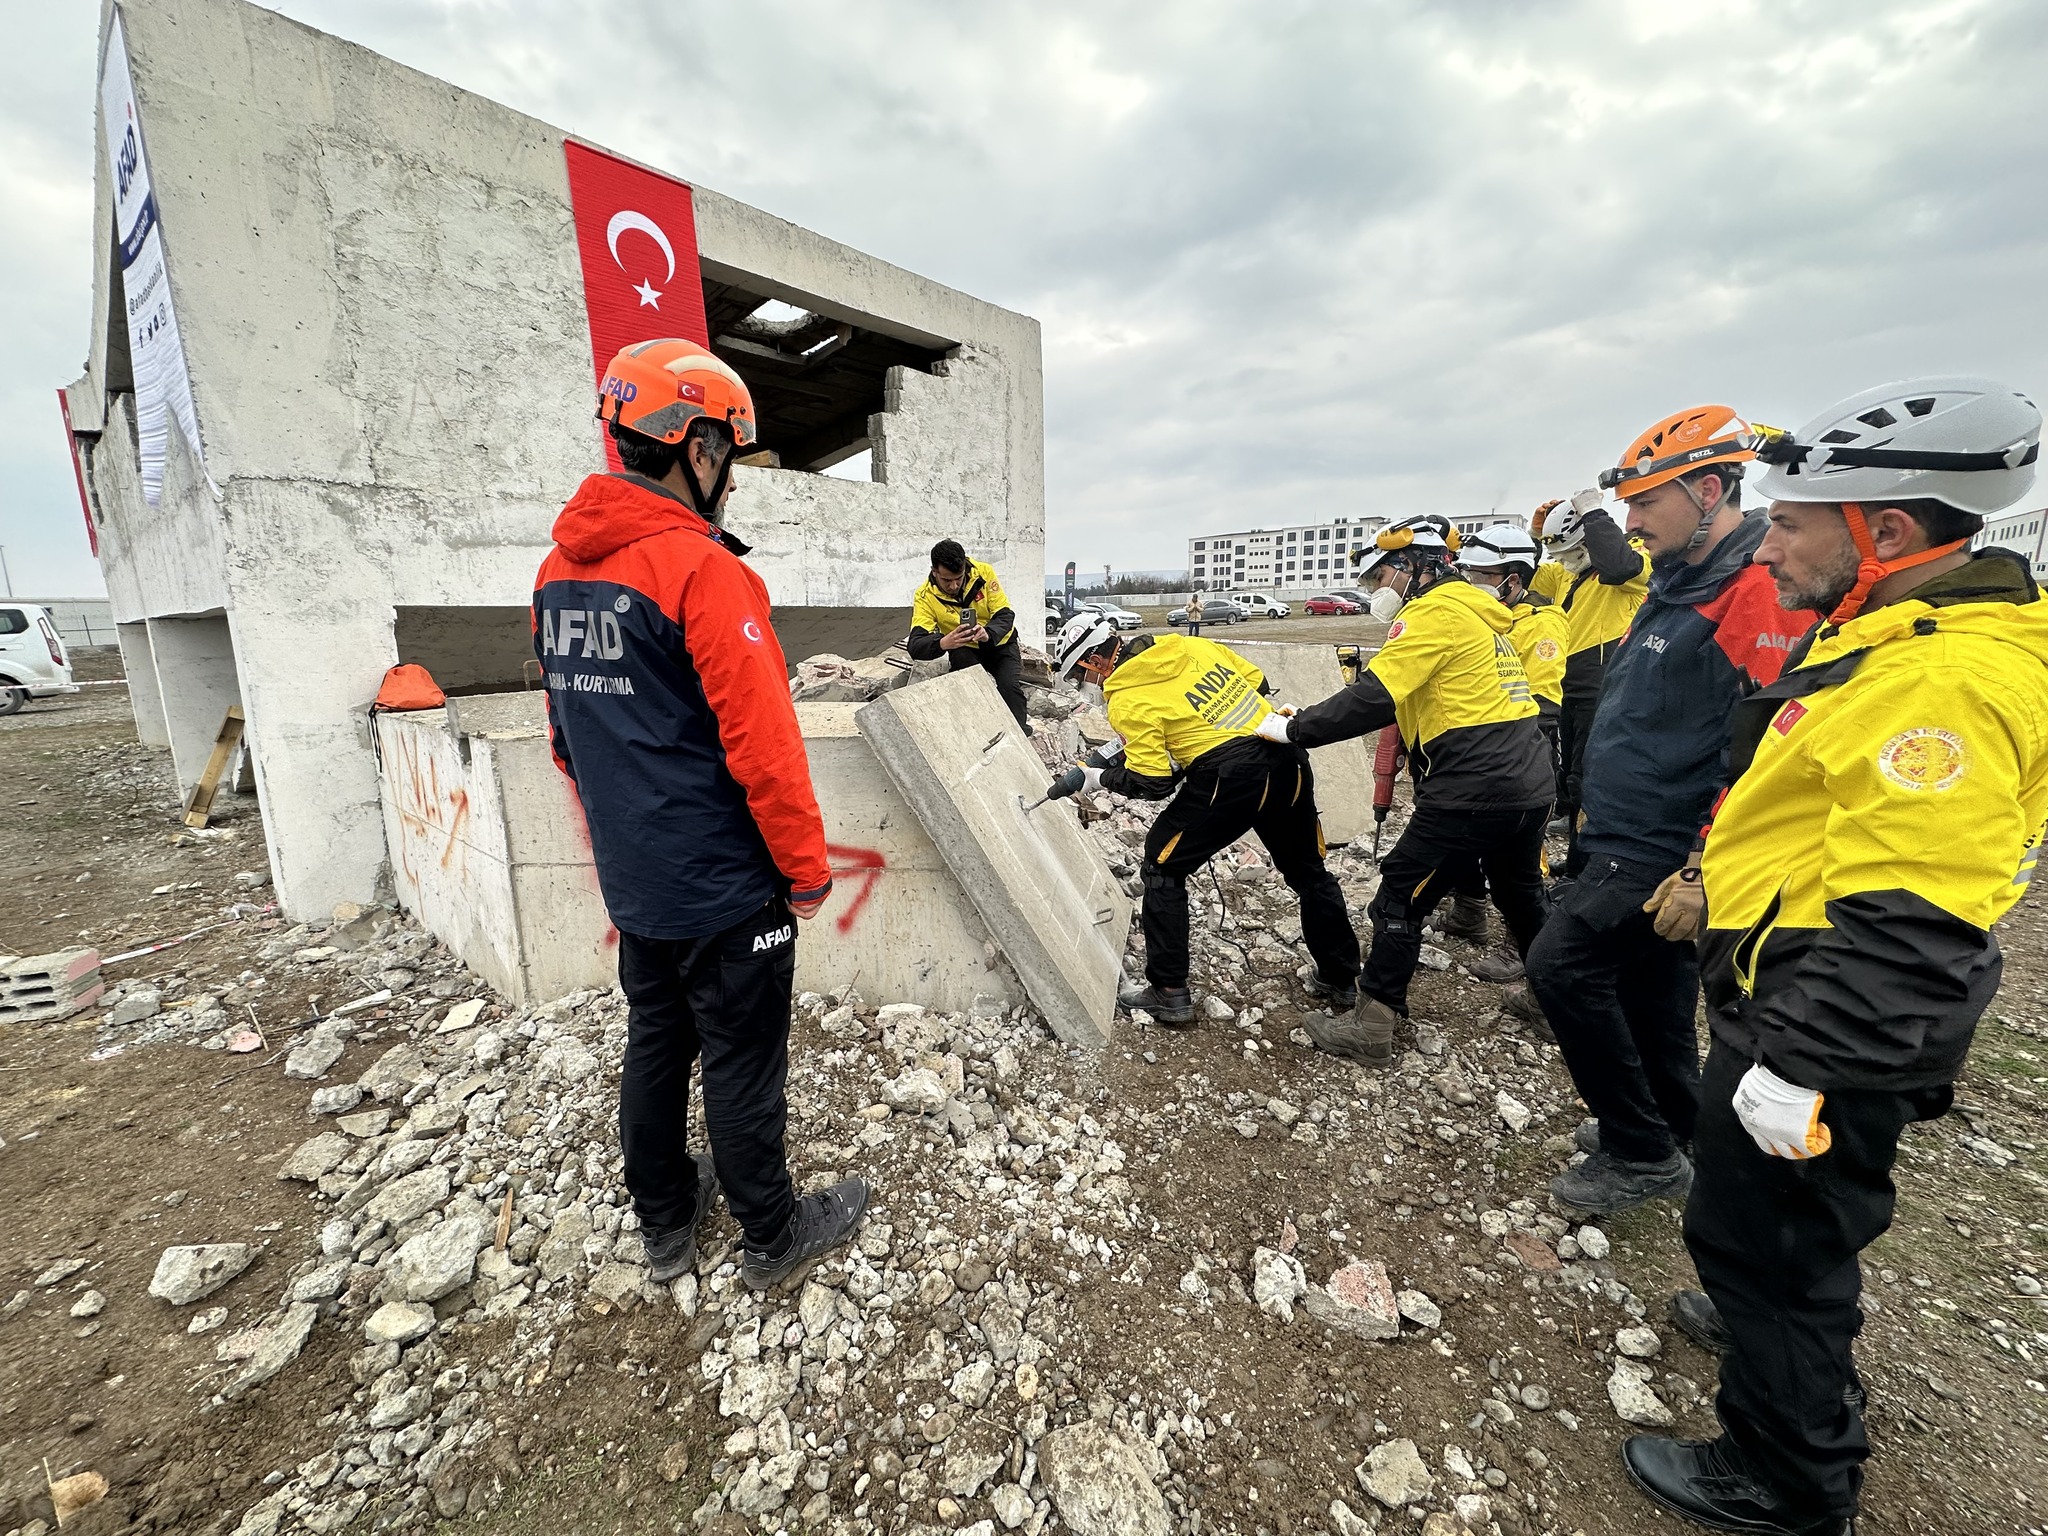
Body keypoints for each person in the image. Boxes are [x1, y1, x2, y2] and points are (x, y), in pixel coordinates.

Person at [1621, 377, 2048, 1536]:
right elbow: (1814, 815)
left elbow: (1911, 923)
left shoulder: (1940, 683)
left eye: (1796, 520)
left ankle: (1784, 1481)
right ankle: (1762, 1332)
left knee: (1773, 1243)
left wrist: (1800, 1062)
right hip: (1796, 982)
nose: (1774, 542)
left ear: (1888, 532)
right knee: (1769, 1228)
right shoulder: (1897, 636)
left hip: (1824, 1010)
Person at [534, 337, 867, 1293]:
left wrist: (628, 836)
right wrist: (805, 871)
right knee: (742, 1064)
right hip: (725, 889)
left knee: (655, 1043)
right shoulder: (704, 573)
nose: (730, 479)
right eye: (730, 454)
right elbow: (765, 749)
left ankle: (666, 1222)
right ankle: (772, 1234)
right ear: (697, 446)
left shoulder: (559, 576)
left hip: (638, 883)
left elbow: (566, 738)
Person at [1519, 405, 1815, 1217]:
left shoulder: (1755, 593)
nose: (1632, 521)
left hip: (1664, 843)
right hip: (1623, 828)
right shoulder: (1682, 580)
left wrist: (1700, 862)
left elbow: (1761, 749)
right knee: (1652, 987)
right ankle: (1670, 1124)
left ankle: (1639, 1148)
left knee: (1560, 968)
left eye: (1647, 502)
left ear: (1710, 490)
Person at [1257, 515, 1553, 1061]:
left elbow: (1375, 696)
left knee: (1398, 898)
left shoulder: (1434, 613)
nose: (1376, 590)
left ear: (1415, 567)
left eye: (1381, 576)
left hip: (1473, 781)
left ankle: (1373, 1026)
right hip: (1528, 778)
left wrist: (1295, 729)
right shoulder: (1478, 614)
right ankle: (1553, 999)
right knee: (1520, 893)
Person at [1050, 613, 1359, 1027]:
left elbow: (1154, 781)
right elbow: (1258, 684)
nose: (1084, 684)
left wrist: (1096, 777)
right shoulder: (1188, 646)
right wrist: (1193, 735)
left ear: (1092, 662)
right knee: (1309, 872)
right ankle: (1342, 978)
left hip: (1229, 780)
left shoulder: (1126, 698)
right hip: (1285, 757)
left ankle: (1169, 992)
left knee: (1162, 863)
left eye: (1078, 675)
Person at [1439, 524, 1568, 970]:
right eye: (1469, 573)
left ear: (1514, 579)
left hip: (1524, 745)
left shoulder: (1543, 625)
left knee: (1518, 860)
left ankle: (1525, 951)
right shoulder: (1488, 616)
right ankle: (1470, 912)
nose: (1473, 583)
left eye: (1483, 574)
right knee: (1465, 839)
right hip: (1474, 742)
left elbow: (1537, 700)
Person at [1528, 490, 1652, 840]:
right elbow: (1528, 577)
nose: (1563, 561)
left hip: (1603, 675)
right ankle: (1570, 815)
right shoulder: (1570, 570)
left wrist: (1594, 514)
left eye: (1568, 553)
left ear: (1586, 543)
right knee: (1568, 759)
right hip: (1567, 675)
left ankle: (1584, 849)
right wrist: (1536, 538)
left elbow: (1619, 565)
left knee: (1590, 765)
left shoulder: (1628, 567)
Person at [909, 540, 1028, 726]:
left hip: (1000, 643)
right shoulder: (924, 596)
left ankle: (1021, 734)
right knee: (971, 689)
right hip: (963, 648)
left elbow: (1005, 614)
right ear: (934, 572)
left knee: (1009, 688)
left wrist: (988, 633)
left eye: (959, 578)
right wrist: (942, 643)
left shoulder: (984, 572)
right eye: (947, 580)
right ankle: (978, 730)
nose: (954, 585)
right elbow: (915, 644)